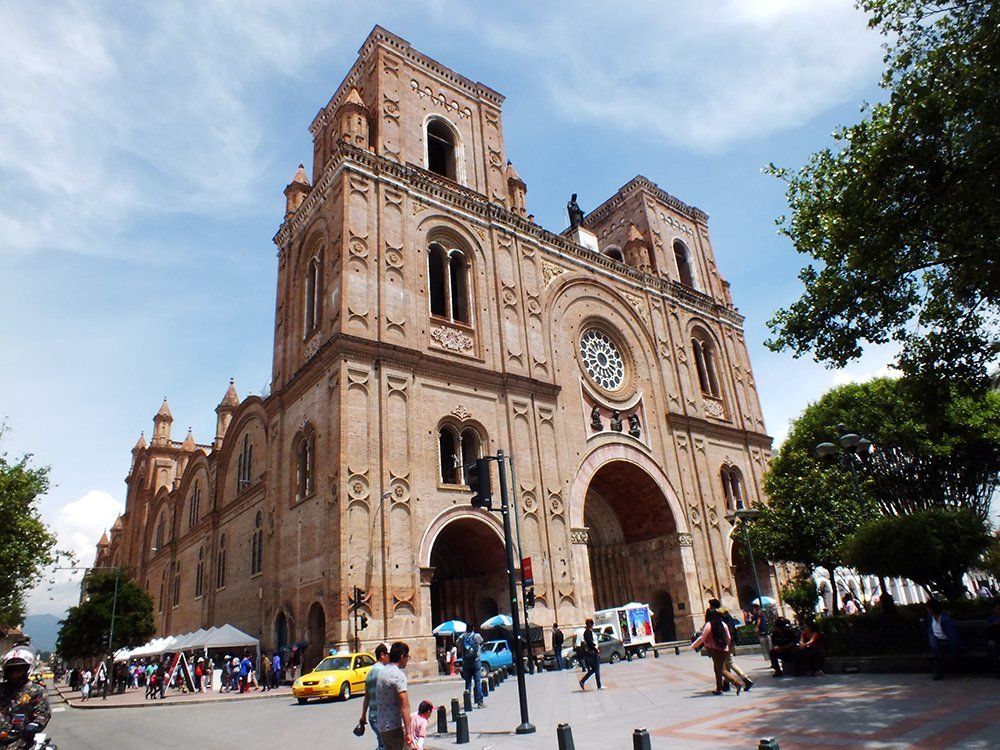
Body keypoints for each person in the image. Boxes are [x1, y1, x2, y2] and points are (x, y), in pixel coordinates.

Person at [0, 648, 50, 750]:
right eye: (12, 670)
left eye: (19, 669)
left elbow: (43, 714)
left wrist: (35, 724)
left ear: (26, 669)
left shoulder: (36, 690)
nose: (15, 673)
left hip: (21, 739)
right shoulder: (1, 689)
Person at [691, 608, 744, 695]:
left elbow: (702, 637)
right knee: (717, 669)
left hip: (715, 650)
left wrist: (694, 646)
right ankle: (719, 688)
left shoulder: (709, 624)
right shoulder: (722, 623)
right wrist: (726, 646)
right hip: (724, 649)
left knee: (721, 670)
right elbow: (729, 637)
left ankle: (737, 683)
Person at [708, 599, 753, 692]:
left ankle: (745, 679)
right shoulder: (725, 613)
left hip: (725, 643)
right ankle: (726, 684)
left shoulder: (717, 615)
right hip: (730, 641)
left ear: (712, 606)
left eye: (710, 605)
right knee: (726, 663)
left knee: (729, 662)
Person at [375, 641, 413, 750]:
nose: (407, 660)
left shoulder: (382, 672)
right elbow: (404, 705)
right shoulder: (398, 675)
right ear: (402, 657)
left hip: (382, 725)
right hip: (394, 726)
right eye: (407, 657)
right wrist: (409, 732)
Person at [358, 643, 389, 750]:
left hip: (373, 717)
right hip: (382, 717)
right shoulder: (382, 672)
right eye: (388, 655)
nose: (389, 657)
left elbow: (367, 697)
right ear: (382, 655)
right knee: (385, 746)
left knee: (382, 745)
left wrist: (363, 715)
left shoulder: (370, 673)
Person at [926, 598, 962, 680]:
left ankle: (937, 671)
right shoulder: (930, 619)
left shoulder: (946, 620)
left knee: (937, 648)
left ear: (932, 609)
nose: (927, 610)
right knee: (935, 644)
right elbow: (929, 632)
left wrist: (954, 653)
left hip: (946, 641)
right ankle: (938, 672)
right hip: (935, 640)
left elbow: (953, 637)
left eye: (928, 608)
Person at [459, 628, 485, 708]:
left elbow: (457, 643)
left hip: (466, 662)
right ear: (473, 628)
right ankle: (480, 703)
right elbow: (481, 640)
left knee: (468, 682)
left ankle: (467, 703)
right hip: (475, 661)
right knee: (477, 682)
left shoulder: (462, 637)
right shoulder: (476, 636)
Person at [578, 618, 602, 690]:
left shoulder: (587, 632)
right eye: (592, 624)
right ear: (590, 624)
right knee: (596, 668)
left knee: (594, 669)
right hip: (592, 652)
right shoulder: (588, 632)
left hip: (591, 652)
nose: (593, 626)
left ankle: (583, 681)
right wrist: (596, 650)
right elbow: (590, 642)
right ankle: (599, 685)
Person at [985, 600, 1000, 678]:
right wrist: (995, 624)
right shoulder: (991, 619)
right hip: (996, 639)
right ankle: (997, 670)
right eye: (998, 609)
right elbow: (988, 632)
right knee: (991, 644)